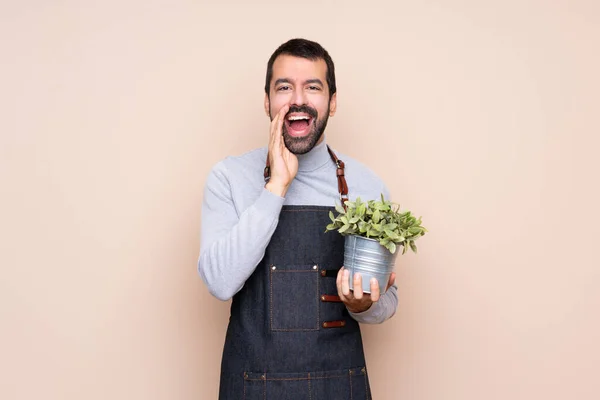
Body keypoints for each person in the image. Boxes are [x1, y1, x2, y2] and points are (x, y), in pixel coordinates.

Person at [197, 38, 398, 399]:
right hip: (252, 387)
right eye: (284, 87)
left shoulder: (367, 186)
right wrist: (276, 186)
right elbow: (219, 282)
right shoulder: (229, 177)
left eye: (313, 87)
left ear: (332, 102)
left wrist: (365, 305)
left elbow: (388, 298)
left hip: (340, 384)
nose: (298, 99)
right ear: (267, 101)